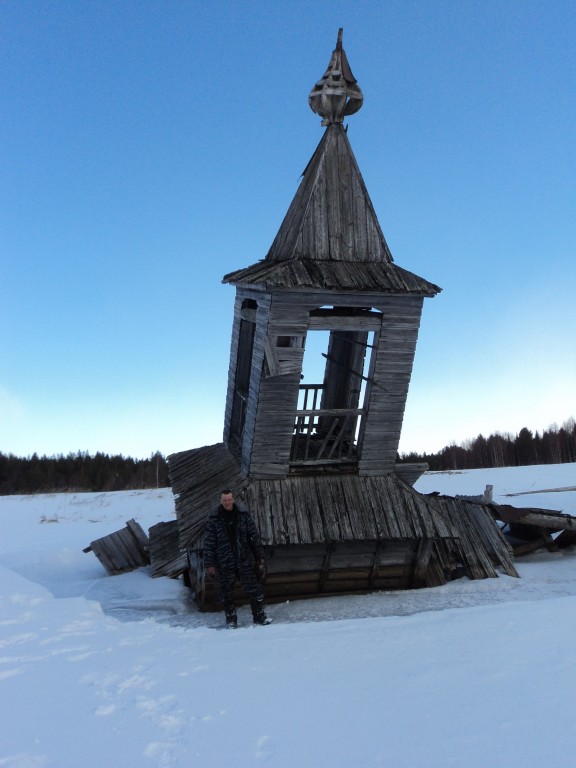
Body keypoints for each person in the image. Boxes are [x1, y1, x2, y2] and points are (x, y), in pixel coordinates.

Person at [204, 489, 270, 628]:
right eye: (224, 500)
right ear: (221, 501)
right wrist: (209, 564)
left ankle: (260, 618)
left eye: (229, 499)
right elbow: (209, 543)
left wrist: (260, 556)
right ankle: (231, 621)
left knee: (254, 589)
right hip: (224, 562)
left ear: (233, 499)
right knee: (226, 593)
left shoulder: (243, 515)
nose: (227, 502)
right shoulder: (214, 518)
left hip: (244, 560)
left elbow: (253, 537)